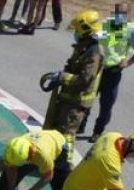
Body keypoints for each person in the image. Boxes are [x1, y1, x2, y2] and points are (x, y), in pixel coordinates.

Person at [42, 11, 104, 150]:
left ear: (85, 30)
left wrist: (62, 77)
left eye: (77, 30)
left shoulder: (94, 52)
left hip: (76, 104)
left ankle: (63, 168)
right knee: (54, 132)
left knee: (66, 137)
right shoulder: (84, 46)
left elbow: (84, 80)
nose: (75, 33)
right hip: (68, 100)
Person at [89, 3, 134, 139]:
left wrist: (128, 62)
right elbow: (96, 39)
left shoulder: (131, 30)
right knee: (87, 99)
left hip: (113, 71)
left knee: (106, 105)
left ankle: (97, 132)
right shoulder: (107, 24)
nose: (118, 16)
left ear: (128, 14)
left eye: (122, 13)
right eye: (117, 12)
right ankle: (79, 126)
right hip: (97, 68)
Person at [0, 129, 71, 190]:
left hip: (59, 144)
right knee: (6, 181)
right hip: (42, 139)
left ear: (29, 156)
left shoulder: (43, 156)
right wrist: (10, 188)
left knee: (60, 183)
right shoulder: (12, 150)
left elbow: (48, 176)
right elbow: (11, 168)